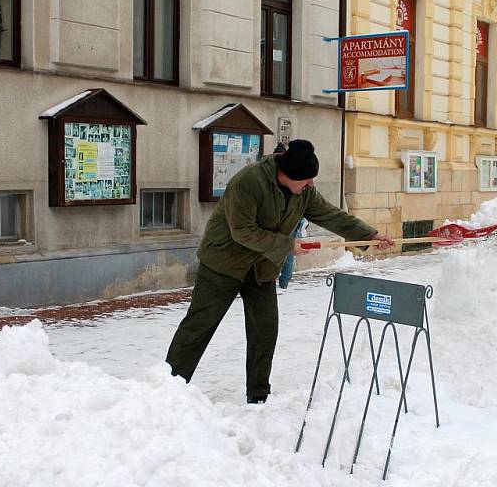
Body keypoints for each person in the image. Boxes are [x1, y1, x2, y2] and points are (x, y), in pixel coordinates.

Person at [165, 139, 393, 403]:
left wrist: (369, 234)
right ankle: (169, 388)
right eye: (306, 180)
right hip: (223, 264)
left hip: (261, 268)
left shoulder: (303, 191)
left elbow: (331, 214)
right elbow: (242, 231)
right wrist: (287, 245)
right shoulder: (248, 183)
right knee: (199, 326)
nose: (310, 185)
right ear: (288, 175)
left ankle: (258, 395)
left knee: (265, 329)